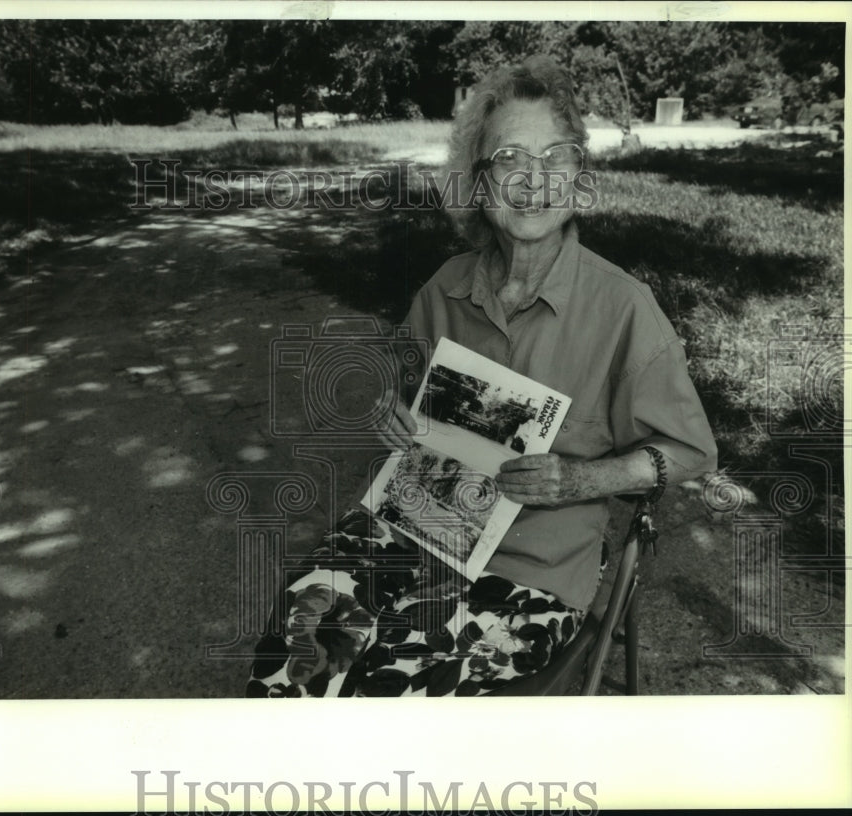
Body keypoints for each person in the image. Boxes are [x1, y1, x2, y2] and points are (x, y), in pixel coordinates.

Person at [246, 55, 717, 698]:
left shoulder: (624, 309)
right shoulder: (444, 289)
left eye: (556, 156)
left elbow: (691, 452)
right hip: (412, 527)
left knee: (388, 699)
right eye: (510, 159)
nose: (535, 179)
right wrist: (394, 414)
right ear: (478, 181)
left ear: (580, 175)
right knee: (293, 655)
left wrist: (582, 478)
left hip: (533, 572)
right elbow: (408, 394)